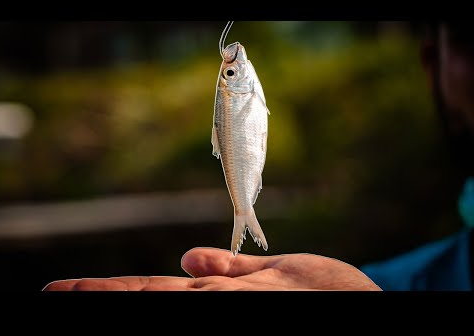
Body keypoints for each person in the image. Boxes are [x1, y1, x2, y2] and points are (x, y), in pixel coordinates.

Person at [42, 21, 474, 291]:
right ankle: (242, 213)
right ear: (431, 61)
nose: (234, 64)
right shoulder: (389, 282)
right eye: (468, 38)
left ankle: (242, 215)